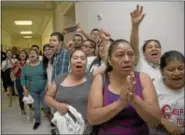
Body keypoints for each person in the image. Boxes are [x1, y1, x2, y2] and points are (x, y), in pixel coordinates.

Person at [87, 39, 161, 135]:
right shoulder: (101, 79)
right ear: (110, 60)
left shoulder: (143, 78)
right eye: (120, 55)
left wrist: (134, 100)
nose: (127, 59)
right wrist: (121, 103)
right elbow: (92, 119)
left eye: (130, 54)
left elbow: (155, 120)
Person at [45, 49, 95, 134]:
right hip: (63, 128)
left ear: (86, 63)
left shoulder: (92, 78)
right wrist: (57, 105)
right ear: (70, 61)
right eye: (75, 58)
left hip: (86, 129)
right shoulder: (60, 78)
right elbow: (47, 97)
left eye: (82, 58)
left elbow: (106, 65)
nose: (79, 60)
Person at [151, 50, 184, 135]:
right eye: (171, 69)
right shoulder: (153, 87)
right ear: (162, 71)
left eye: (181, 68)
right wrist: (162, 122)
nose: (177, 73)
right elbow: (146, 113)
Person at [21, 49, 47, 130]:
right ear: (28, 56)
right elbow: (22, 78)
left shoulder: (43, 64)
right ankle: (37, 121)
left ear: (37, 55)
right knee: (36, 106)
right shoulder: (26, 66)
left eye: (34, 53)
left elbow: (48, 75)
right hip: (32, 90)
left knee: (46, 105)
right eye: (30, 53)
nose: (32, 54)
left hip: (44, 89)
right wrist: (25, 89)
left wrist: (48, 87)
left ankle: (52, 119)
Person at [12, 49, 32, 114]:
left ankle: (30, 106)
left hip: (27, 79)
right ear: (19, 55)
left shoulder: (29, 62)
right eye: (21, 53)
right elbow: (14, 72)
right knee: (20, 95)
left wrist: (21, 67)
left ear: (26, 55)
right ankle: (22, 109)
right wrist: (18, 65)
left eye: (24, 53)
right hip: (18, 79)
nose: (22, 54)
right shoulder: (16, 63)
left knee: (28, 93)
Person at [42, 44, 54, 125]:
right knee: (49, 108)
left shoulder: (56, 60)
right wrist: (46, 85)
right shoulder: (48, 62)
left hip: (55, 88)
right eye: (45, 50)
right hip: (49, 87)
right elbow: (49, 76)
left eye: (49, 49)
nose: (47, 51)